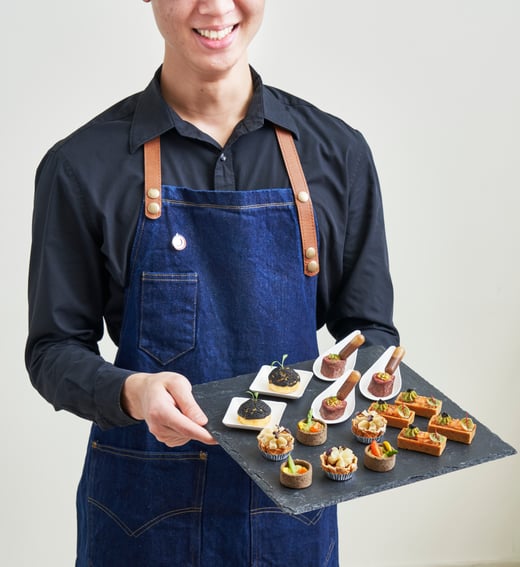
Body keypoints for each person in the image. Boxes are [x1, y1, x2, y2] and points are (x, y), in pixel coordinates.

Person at [26, 1, 399, 565]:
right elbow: (53, 350)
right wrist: (133, 392)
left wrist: (361, 395)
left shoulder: (338, 155)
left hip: (289, 505)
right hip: (142, 513)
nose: (217, 6)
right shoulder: (81, 164)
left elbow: (370, 332)